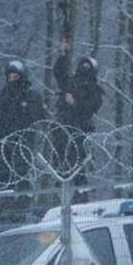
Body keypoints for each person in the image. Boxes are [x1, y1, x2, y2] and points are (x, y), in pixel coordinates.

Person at [0, 60, 46, 202]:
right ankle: (1, 204)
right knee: (1, 175)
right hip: (3, 142)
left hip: (22, 142)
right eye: (9, 77)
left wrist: (22, 110)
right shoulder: (3, 95)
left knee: (20, 175)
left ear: (22, 77)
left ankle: (21, 205)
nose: (12, 80)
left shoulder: (30, 95)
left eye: (15, 77)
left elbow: (37, 116)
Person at [51, 37, 104, 183]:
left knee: (78, 168)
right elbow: (59, 73)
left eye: (88, 67)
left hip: (80, 130)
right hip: (62, 128)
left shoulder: (95, 90)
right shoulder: (71, 82)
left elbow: (92, 108)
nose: (84, 68)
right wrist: (64, 54)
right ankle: (60, 198)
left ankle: (80, 199)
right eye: (83, 65)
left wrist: (75, 103)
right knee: (60, 165)